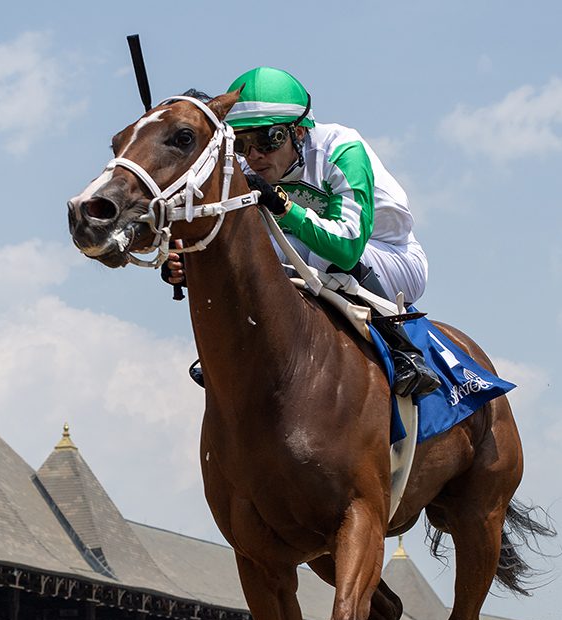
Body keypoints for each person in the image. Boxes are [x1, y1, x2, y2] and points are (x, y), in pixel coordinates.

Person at [167, 68, 440, 398]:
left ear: (298, 130)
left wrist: (283, 207)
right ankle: (233, 347)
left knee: (313, 251)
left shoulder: (342, 148)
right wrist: (187, 266)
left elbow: (346, 247)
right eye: (242, 143)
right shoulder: (248, 166)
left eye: (268, 140)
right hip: (309, 260)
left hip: (388, 258)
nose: (254, 155)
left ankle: (404, 351)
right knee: (247, 253)